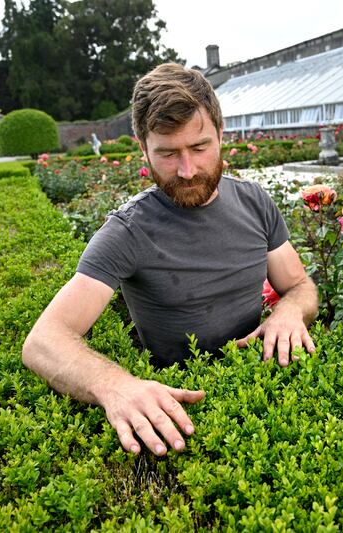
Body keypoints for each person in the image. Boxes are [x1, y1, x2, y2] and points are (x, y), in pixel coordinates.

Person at [22, 63, 319, 457]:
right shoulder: (127, 231)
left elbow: (299, 286)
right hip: (186, 410)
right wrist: (115, 385)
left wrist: (288, 313)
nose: (187, 169)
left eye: (200, 147)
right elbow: (43, 341)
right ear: (142, 148)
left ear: (221, 134)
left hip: (264, 386)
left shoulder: (255, 201)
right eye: (167, 153)